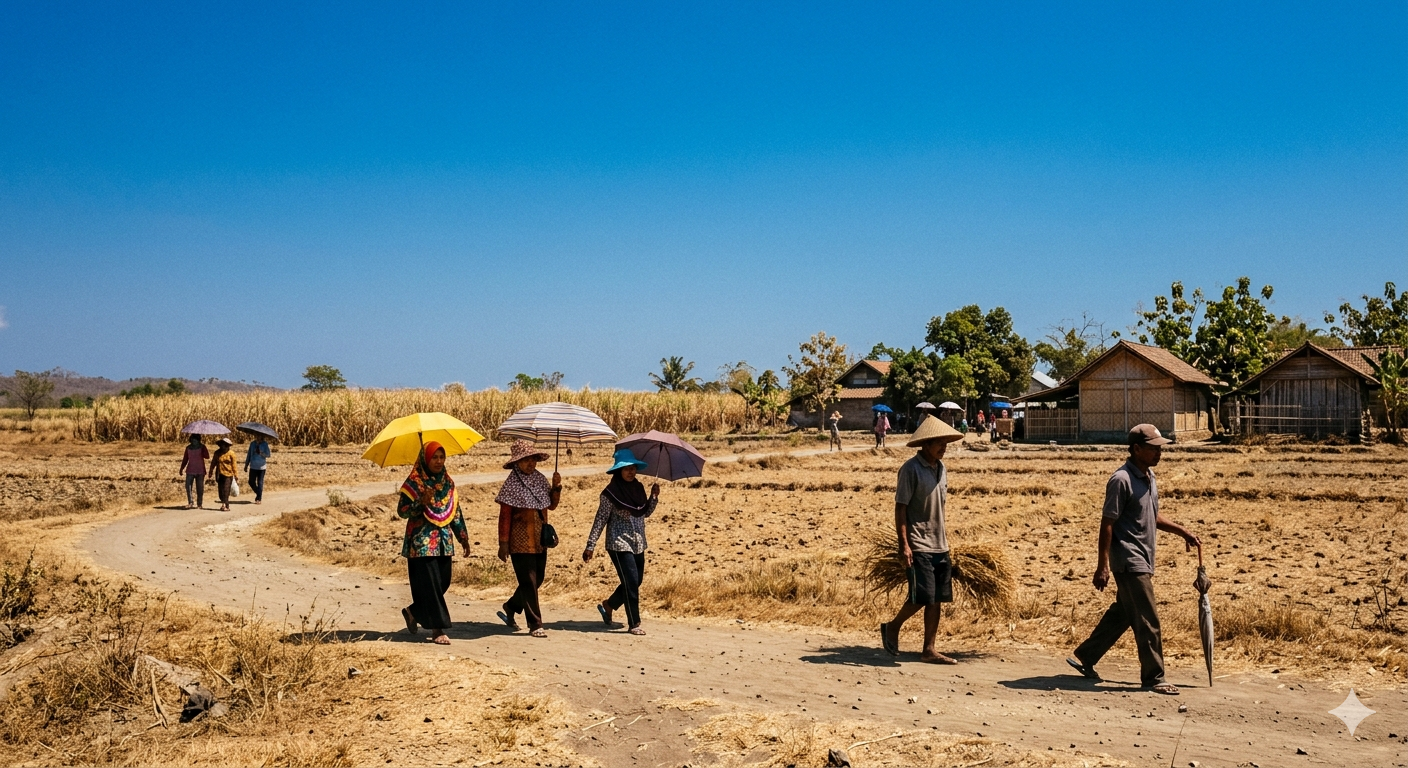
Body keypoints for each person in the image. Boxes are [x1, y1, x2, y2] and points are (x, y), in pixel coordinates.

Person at [1066, 424, 1201, 696]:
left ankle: (1087, 655)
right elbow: (1107, 523)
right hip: (1129, 559)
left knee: (1124, 613)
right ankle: (1154, 677)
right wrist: (1102, 565)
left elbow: (1151, 515)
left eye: (1160, 448)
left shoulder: (1149, 477)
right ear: (1136, 449)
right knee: (1148, 618)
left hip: (1144, 556)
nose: (1158, 453)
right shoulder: (1122, 480)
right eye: (1153, 448)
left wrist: (1182, 531)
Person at [880, 417, 965, 664]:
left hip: (941, 544)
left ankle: (929, 649)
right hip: (918, 544)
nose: (944, 447)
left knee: (937, 597)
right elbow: (901, 508)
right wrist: (904, 545)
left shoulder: (941, 468)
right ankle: (892, 627)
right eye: (940, 442)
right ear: (926, 444)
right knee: (923, 595)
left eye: (946, 443)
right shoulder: (910, 469)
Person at [397, 441, 472, 645]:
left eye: (441, 457)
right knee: (431, 586)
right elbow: (402, 511)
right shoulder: (414, 482)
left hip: (444, 541)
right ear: (425, 459)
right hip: (421, 543)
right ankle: (437, 629)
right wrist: (421, 501)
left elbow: (455, 512)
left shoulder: (447, 482)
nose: (438, 461)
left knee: (443, 581)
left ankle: (413, 611)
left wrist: (463, 537)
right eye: (434, 457)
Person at [583, 448, 659, 635]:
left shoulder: (639, 488)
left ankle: (610, 604)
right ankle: (634, 623)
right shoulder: (610, 494)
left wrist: (654, 497)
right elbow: (600, 519)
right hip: (618, 542)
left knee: (636, 580)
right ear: (618, 470)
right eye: (626, 469)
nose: (631, 472)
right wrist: (590, 545)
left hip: (638, 542)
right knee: (631, 581)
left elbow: (645, 512)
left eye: (633, 468)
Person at [495, 440, 561, 638]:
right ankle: (535, 623)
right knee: (529, 580)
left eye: (532, 459)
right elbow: (505, 516)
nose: (530, 463)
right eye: (525, 460)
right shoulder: (511, 485)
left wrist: (556, 488)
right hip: (519, 541)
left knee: (537, 578)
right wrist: (503, 543)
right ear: (516, 462)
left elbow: (551, 506)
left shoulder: (540, 479)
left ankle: (512, 605)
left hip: (540, 540)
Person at [178, 434, 209, 509]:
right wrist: (181, 468)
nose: (194, 442)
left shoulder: (202, 447)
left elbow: (207, 456)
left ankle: (199, 504)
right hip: (190, 470)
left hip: (200, 470)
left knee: (200, 488)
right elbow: (185, 459)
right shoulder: (188, 448)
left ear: (198, 440)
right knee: (188, 486)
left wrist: (203, 449)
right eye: (193, 440)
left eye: (196, 440)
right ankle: (190, 502)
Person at [210, 437, 237, 511]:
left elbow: (234, 465)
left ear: (228, 446)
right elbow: (213, 462)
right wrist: (211, 471)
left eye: (225, 445)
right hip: (219, 474)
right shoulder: (217, 453)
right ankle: (224, 503)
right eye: (222, 445)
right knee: (221, 490)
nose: (223, 447)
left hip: (229, 474)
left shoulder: (231, 454)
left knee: (226, 490)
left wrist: (236, 475)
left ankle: (225, 505)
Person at [244, 434, 271, 505]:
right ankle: (259, 492)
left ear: (262, 436)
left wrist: (261, 453)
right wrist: (246, 464)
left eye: (260, 436)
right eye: (257, 436)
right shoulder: (252, 444)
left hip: (262, 466)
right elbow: (249, 454)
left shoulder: (265, 444)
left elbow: (268, 455)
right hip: (253, 466)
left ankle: (259, 498)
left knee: (260, 482)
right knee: (251, 481)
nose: (258, 437)